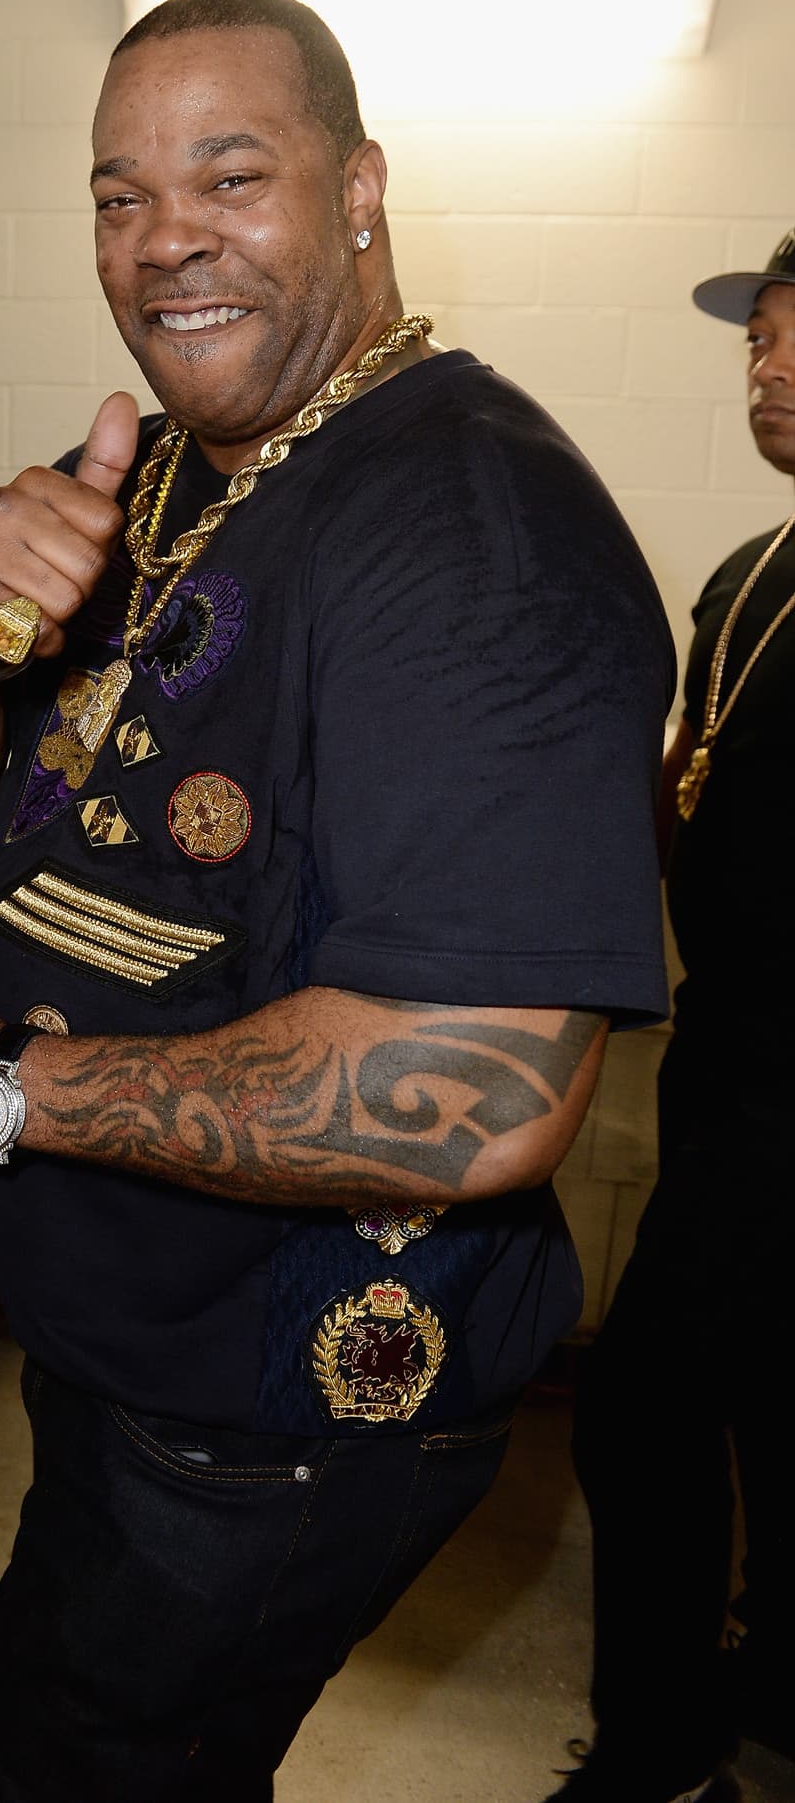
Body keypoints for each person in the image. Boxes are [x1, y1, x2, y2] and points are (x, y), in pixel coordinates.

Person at [0, 0, 673, 1801]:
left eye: (230, 174)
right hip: (128, 1342)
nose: (163, 235)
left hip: (271, 1421)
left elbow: (476, 1093)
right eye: (120, 195)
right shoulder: (175, 466)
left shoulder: (474, 538)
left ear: (359, 189)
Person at [542, 232, 795, 1803]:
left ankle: (657, 1753)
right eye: (760, 340)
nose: (768, 366)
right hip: (729, 1057)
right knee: (761, 1397)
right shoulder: (749, 578)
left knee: (638, 1410)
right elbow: (684, 804)